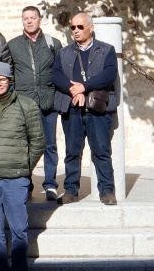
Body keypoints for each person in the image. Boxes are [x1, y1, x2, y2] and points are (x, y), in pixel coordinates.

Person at [0, 61, 46, 271]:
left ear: (10, 81)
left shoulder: (26, 105)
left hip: (15, 179)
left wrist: (24, 167)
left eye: (3, 79)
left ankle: (19, 267)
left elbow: (38, 141)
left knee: (19, 229)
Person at [52, 13, 119, 205]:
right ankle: (71, 191)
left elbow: (109, 74)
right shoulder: (65, 52)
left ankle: (106, 191)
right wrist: (73, 89)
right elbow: (56, 74)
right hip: (72, 108)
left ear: (91, 28)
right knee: (72, 151)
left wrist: (84, 87)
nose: (76, 31)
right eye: (73, 27)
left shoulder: (106, 50)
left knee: (101, 151)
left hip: (97, 109)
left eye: (80, 27)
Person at [6, 6, 63, 201]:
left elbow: (60, 70)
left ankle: (50, 185)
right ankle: (26, 181)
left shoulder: (53, 43)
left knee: (49, 144)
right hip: (25, 102)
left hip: (49, 101)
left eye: (33, 18)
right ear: (22, 21)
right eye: (25, 18)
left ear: (40, 20)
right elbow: (8, 74)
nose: (29, 21)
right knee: (25, 144)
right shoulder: (13, 45)